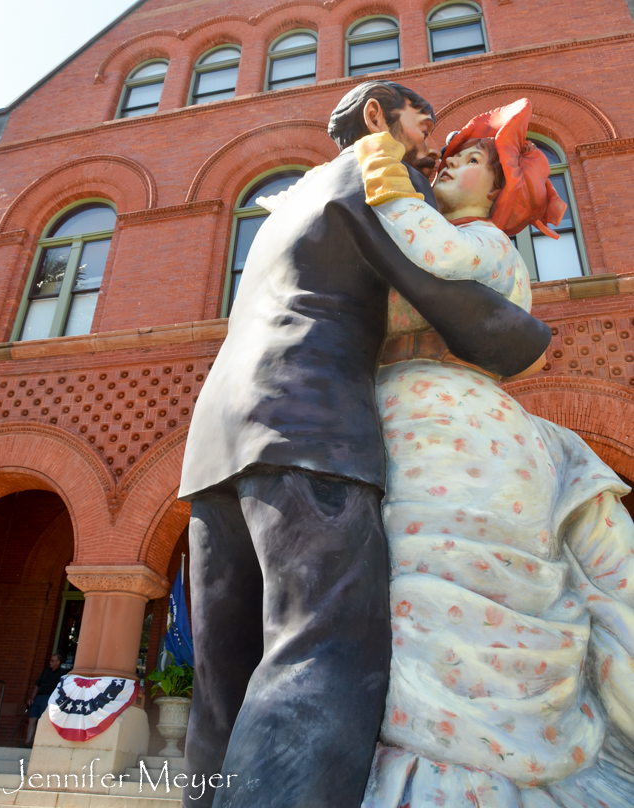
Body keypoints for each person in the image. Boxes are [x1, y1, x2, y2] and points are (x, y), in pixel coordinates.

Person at [178, 81, 551, 808]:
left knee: (224, 680)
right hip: (306, 429)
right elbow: (433, 280)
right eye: (427, 124)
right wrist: (523, 338)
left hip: (216, 441)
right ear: (379, 119)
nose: (432, 146)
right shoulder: (375, 173)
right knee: (322, 654)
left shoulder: (291, 198)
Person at [351, 99, 634, 807]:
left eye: (474, 159)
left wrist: (383, 169)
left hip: (452, 428)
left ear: (497, 193)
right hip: (403, 416)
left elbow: (432, 255)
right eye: (450, 154)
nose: (451, 162)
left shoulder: (483, 242)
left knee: (448, 593)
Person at [24, 653, 65, 747]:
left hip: (49, 698)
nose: (50, 662)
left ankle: (36, 742)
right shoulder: (45, 671)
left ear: (58, 662)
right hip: (39, 697)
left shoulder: (62, 673)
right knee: (32, 719)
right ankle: (27, 741)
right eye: (50, 660)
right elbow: (37, 685)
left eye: (53, 661)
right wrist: (32, 698)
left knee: (42, 720)